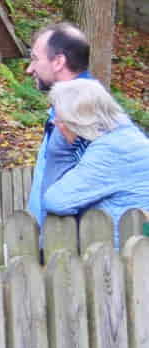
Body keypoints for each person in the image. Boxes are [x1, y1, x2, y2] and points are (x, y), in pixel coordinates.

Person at [41, 79, 149, 237]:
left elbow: (56, 200)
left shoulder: (111, 150)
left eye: (59, 119)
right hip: (136, 240)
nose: (56, 125)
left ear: (77, 121)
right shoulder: (126, 136)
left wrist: (61, 149)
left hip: (120, 246)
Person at [26, 22, 94, 223]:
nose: (29, 69)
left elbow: (90, 184)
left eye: (35, 59)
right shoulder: (66, 107)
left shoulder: (83, 112)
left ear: (58, 62)